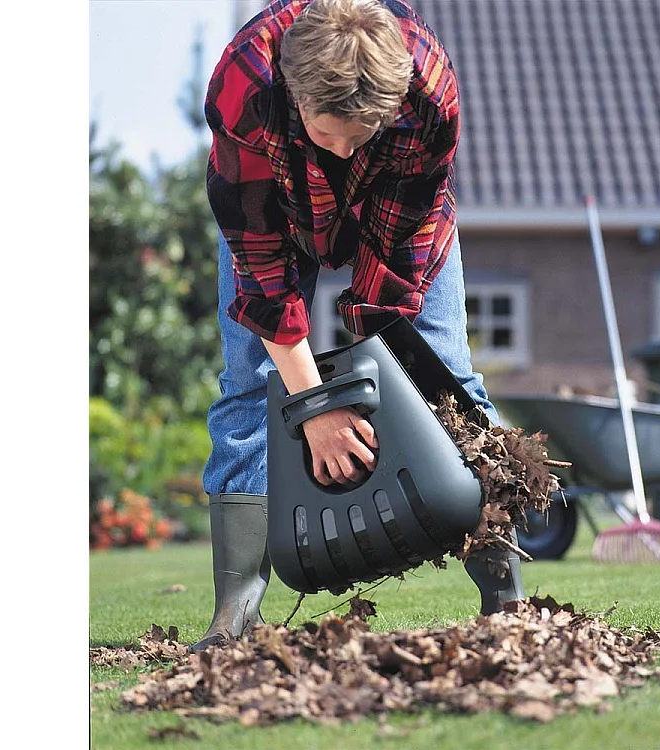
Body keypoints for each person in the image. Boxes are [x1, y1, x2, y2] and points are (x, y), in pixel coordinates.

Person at [192, 0, 524, 652]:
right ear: (295, 93)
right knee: (247, 383)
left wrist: (373, 389)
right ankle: (236, 614)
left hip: (391, 218)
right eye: (330, 134)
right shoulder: (245, 86)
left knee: (444, 372)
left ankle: (506, 598)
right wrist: (314, 407)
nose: (345, 149)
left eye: (361, 135)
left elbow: (395, 266)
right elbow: (262, 271)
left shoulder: (427, 91)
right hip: (278, 220)